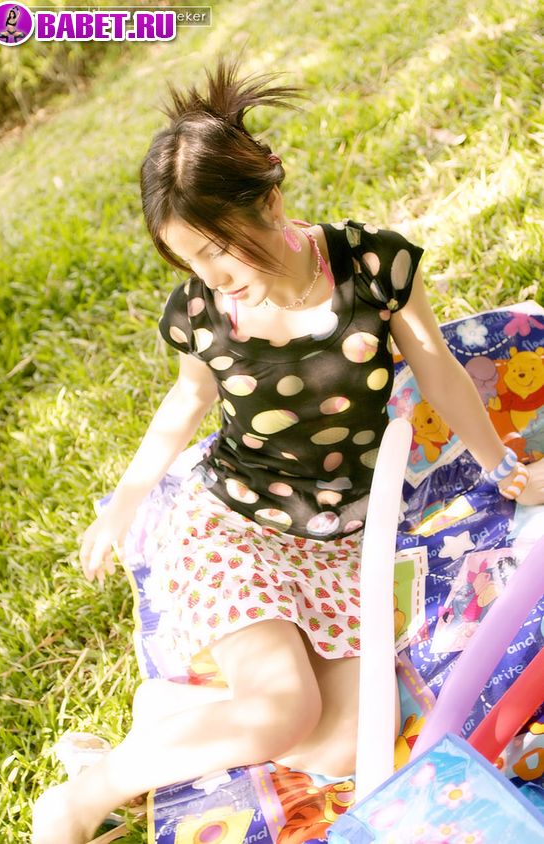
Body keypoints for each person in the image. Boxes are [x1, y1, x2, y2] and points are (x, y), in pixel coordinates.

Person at [32, 57, 544, 844]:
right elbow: (187, 402)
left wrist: (501, 465)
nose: (211, 277)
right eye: (191, 261)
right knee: (284, 712)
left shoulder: (373, 267)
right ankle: (81, 797)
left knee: (342, 743)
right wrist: (129, 500)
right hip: (234, 526)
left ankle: (173, 716)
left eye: (219, 250)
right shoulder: (206, 311)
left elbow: (439, 371)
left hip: (338, 542)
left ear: (270, 200)